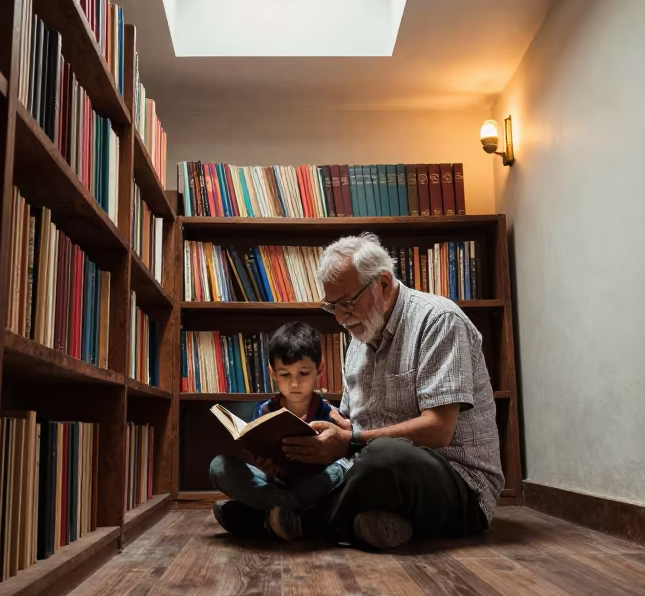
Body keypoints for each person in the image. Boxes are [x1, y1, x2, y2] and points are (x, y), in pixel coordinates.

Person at [281, 232, 503, 550]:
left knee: (385, 456)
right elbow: (349, 427)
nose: (341, 317)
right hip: (367, 472)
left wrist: (353, 439)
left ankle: (286, 516)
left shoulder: (439, 321)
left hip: (459, 485)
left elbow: (438, 430)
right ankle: (363, 524)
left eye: (346, 303)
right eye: (332, 306)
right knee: (329, 463)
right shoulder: (358, 339)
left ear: (383, 284)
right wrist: (316, 439)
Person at [209, 322, 351, 540]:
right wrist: (264, 465)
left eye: (303, 373)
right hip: (275, 482)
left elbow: (337, 459)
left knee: (341, 470)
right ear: (272, 373)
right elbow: (259, 456)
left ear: (319, 369)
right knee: (220, 467)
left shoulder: (330, 414)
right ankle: (301, 516)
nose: (294, 383)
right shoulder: (264, 411)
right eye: (285, 374)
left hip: (313, 484)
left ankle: (264, 515)